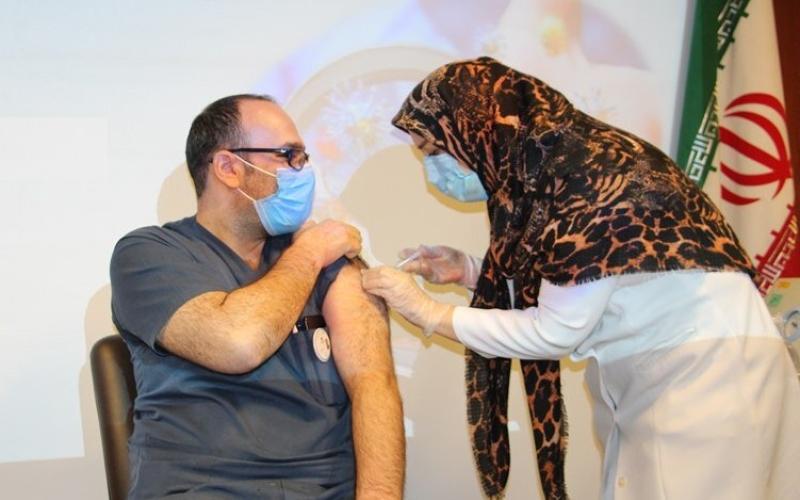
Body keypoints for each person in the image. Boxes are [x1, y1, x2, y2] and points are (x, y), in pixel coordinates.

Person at [362, 57, 800, 500]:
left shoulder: (587, 175)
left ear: (477, 128)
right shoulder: (559, 163)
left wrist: (428, 313)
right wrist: (471, 271)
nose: (432, 170)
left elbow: (555, 330)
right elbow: (581, 280)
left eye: (433, 150)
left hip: (704, 381)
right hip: (675, 372)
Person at [110, 94, 405, 499]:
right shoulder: (148, 254)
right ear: (229, 168)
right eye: (289, 156)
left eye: (303, 158)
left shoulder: (328, 262)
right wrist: (311, 252)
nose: (304, 172)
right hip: (206, 489)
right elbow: (238, 344)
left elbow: (373, 382)